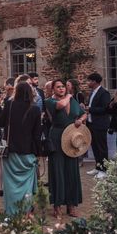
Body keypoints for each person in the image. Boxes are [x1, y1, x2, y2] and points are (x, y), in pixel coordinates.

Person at [0, 82, 42, 216]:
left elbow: (0, 122)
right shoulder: (35, 109)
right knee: (26, 184)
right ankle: (26, 210)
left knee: (10, 184)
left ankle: (11, 210)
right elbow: (37, 134)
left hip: (11, 150)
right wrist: (38, 152)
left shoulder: (10, 106)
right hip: (27, 150)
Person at [45, 79, 87, 219]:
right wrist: (69, 94)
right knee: (57, 171)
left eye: (63, 86)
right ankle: (57, 206)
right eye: (58, 87)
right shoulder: (49, 101)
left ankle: (71, 205)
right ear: (53, 90)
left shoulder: (73, 101)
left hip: (72, 138)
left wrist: (80, 120)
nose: (62, 89)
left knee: (71, 171)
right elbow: (61, 105)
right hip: (56, 138)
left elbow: (83, 113)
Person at [83, 72, 111, 179]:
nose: (87, 83)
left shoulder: (104, 93)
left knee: (102, 147)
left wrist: (90, 109)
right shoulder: (92, 92)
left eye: (89, 81)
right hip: (91, 123)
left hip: (100, 124)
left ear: (94, 81)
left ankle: (104, 170)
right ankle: (98, 167)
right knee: (94, 146)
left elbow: (105, 109)